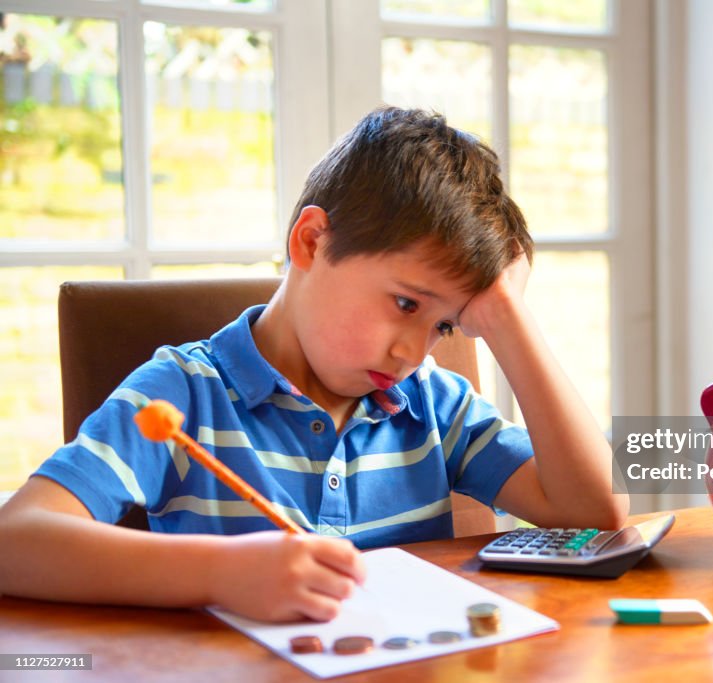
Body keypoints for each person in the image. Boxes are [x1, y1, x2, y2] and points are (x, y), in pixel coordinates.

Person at [0, 107, 627, 622]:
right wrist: (219, 574)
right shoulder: (184, 397)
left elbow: (596, 512)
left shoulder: (432, 406)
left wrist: (506, 319)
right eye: (405, 302)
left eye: (443, 325)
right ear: (310, 241)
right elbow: (15, 543)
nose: (413, 350)